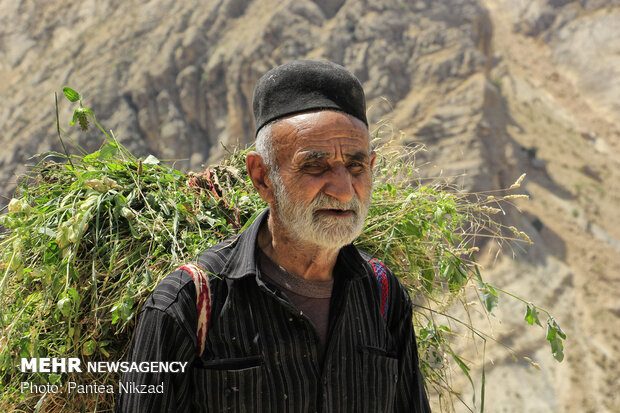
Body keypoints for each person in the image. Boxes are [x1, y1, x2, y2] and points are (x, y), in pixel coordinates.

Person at [116, 59, 431, 412]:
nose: (344, 190)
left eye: (355, 167)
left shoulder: (383, 296)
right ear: (262, 177)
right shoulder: (190, 304)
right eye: (315, 165)